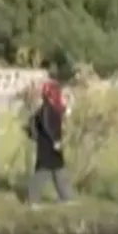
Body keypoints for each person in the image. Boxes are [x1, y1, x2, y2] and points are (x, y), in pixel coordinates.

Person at [26, 80, 75, 208]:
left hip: (54, 144)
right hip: (47, 145)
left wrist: (66, 110)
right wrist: (55, 140)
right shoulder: (46, 108)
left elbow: (59, 114)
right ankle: (33, 201)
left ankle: (66, 198)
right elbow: (47, 125)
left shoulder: (53, 107)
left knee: (60, 170)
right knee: (43, 172)